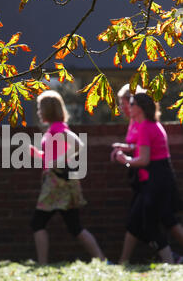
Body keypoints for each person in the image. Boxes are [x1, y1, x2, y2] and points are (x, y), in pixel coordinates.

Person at [30, 89, 106, 265]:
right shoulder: (54, 129)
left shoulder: (58, 128)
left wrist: (58, 161)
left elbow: (78, 145)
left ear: (48, 110)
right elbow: (55, 156)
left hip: (58, 182)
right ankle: (102, 261)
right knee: (74, 227)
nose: (39, 112)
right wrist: (39, 155)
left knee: (38, 223)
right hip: (60, 181)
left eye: (41, 108)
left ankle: (42, 264)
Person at [115, 92, 183, 264]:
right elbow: (141, 148)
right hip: (159, 179)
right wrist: (126, 149)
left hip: (156, 180)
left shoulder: (146, 126)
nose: (128, 108)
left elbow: (144, 159)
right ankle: (170, 262)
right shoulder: (151, 125)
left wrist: (126, 161)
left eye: (131, 104)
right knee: (154, 222)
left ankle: (170, 263)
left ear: (140, 108)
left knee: (151, 223)